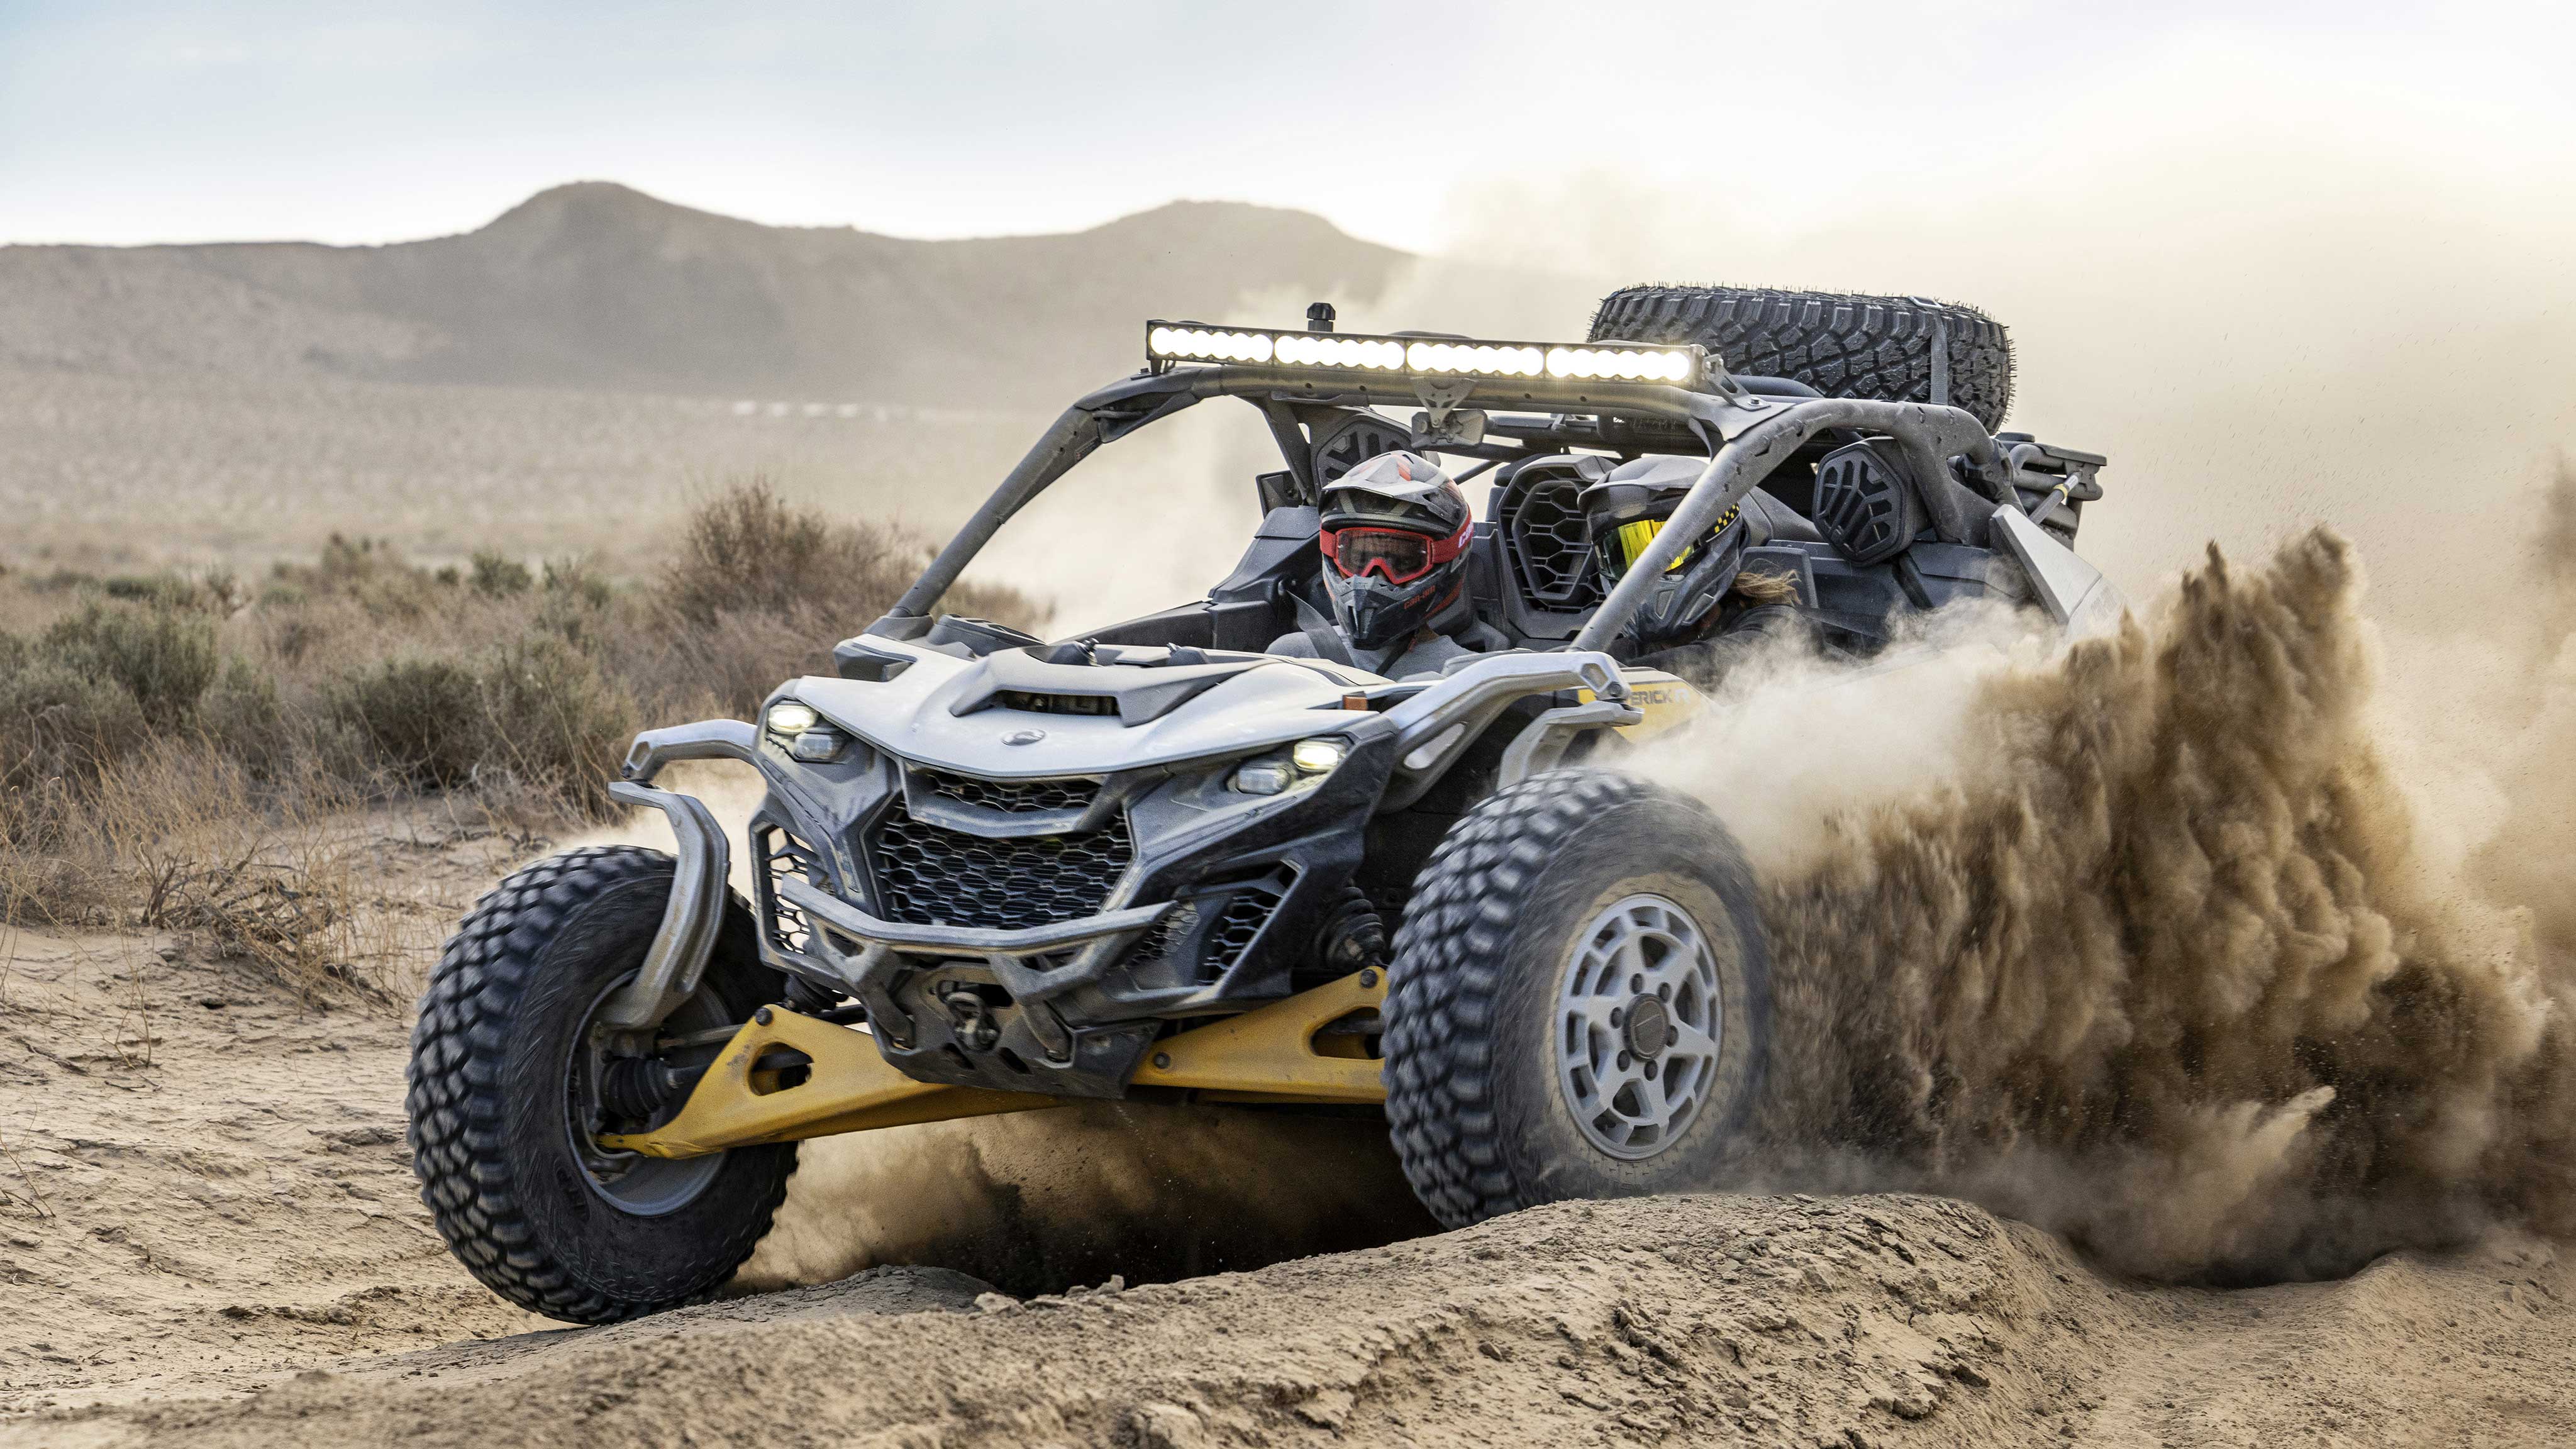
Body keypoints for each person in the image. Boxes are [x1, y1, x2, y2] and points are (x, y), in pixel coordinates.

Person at [1269, 450, 1508, 678]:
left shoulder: (1478, 677)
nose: (1372, 578)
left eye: (1401, 561)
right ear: (1333, 553)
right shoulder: (1295, 657)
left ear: (1447, 558)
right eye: (1360, 558)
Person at [1578, 455, 1812, 684]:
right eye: (1624, 557)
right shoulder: (1627, 651)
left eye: (1666, 552)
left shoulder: (1777, 626)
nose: (1642, 571)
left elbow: (1718, 662)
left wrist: (1602, 679)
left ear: (1716, 539)